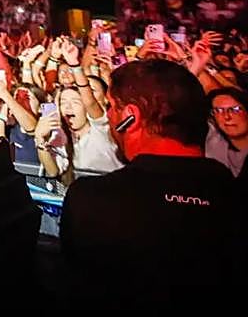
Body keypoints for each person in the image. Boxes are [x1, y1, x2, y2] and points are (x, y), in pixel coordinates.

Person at [59, 60, 248, 307]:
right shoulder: (235, 194)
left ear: (130, 118)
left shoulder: (90, 199)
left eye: (111, 107)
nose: (108, 116)